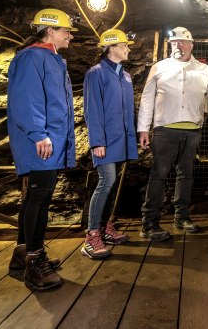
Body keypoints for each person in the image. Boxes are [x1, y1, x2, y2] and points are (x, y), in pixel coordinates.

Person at [137, 26, 208, 240]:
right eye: (174, 42)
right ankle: (149, 223)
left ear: (191, 45)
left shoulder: (204, 70)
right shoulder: (159, 67)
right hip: (165, 130)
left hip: (192, 131)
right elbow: (147, 98)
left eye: (182, 42)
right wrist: (143, 128)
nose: (177, 45)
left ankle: (181, 217)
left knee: (186, 175)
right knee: (159, 175)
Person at [6, 8, 77, 290]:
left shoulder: (50, 58)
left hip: (50, 139)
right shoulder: (33, 57)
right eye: (65, 31)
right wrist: (39, 134)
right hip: (41, 141)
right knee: (40, 198)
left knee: (35, 196)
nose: (70, 35)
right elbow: (27, 99)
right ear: (50, 31)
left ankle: (23, 254)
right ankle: (34, 264)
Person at [81, 29, 138, 259]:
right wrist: (97, 142)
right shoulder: (95, 74)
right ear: (112, 47)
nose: (128, 49)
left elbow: (127, 111)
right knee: (106, 181)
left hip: (121, 139)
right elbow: (92, 110)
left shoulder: (125, 75)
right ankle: (91, 235)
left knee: (112, 184)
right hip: (105, 140)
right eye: (124, 45)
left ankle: (105, 228)